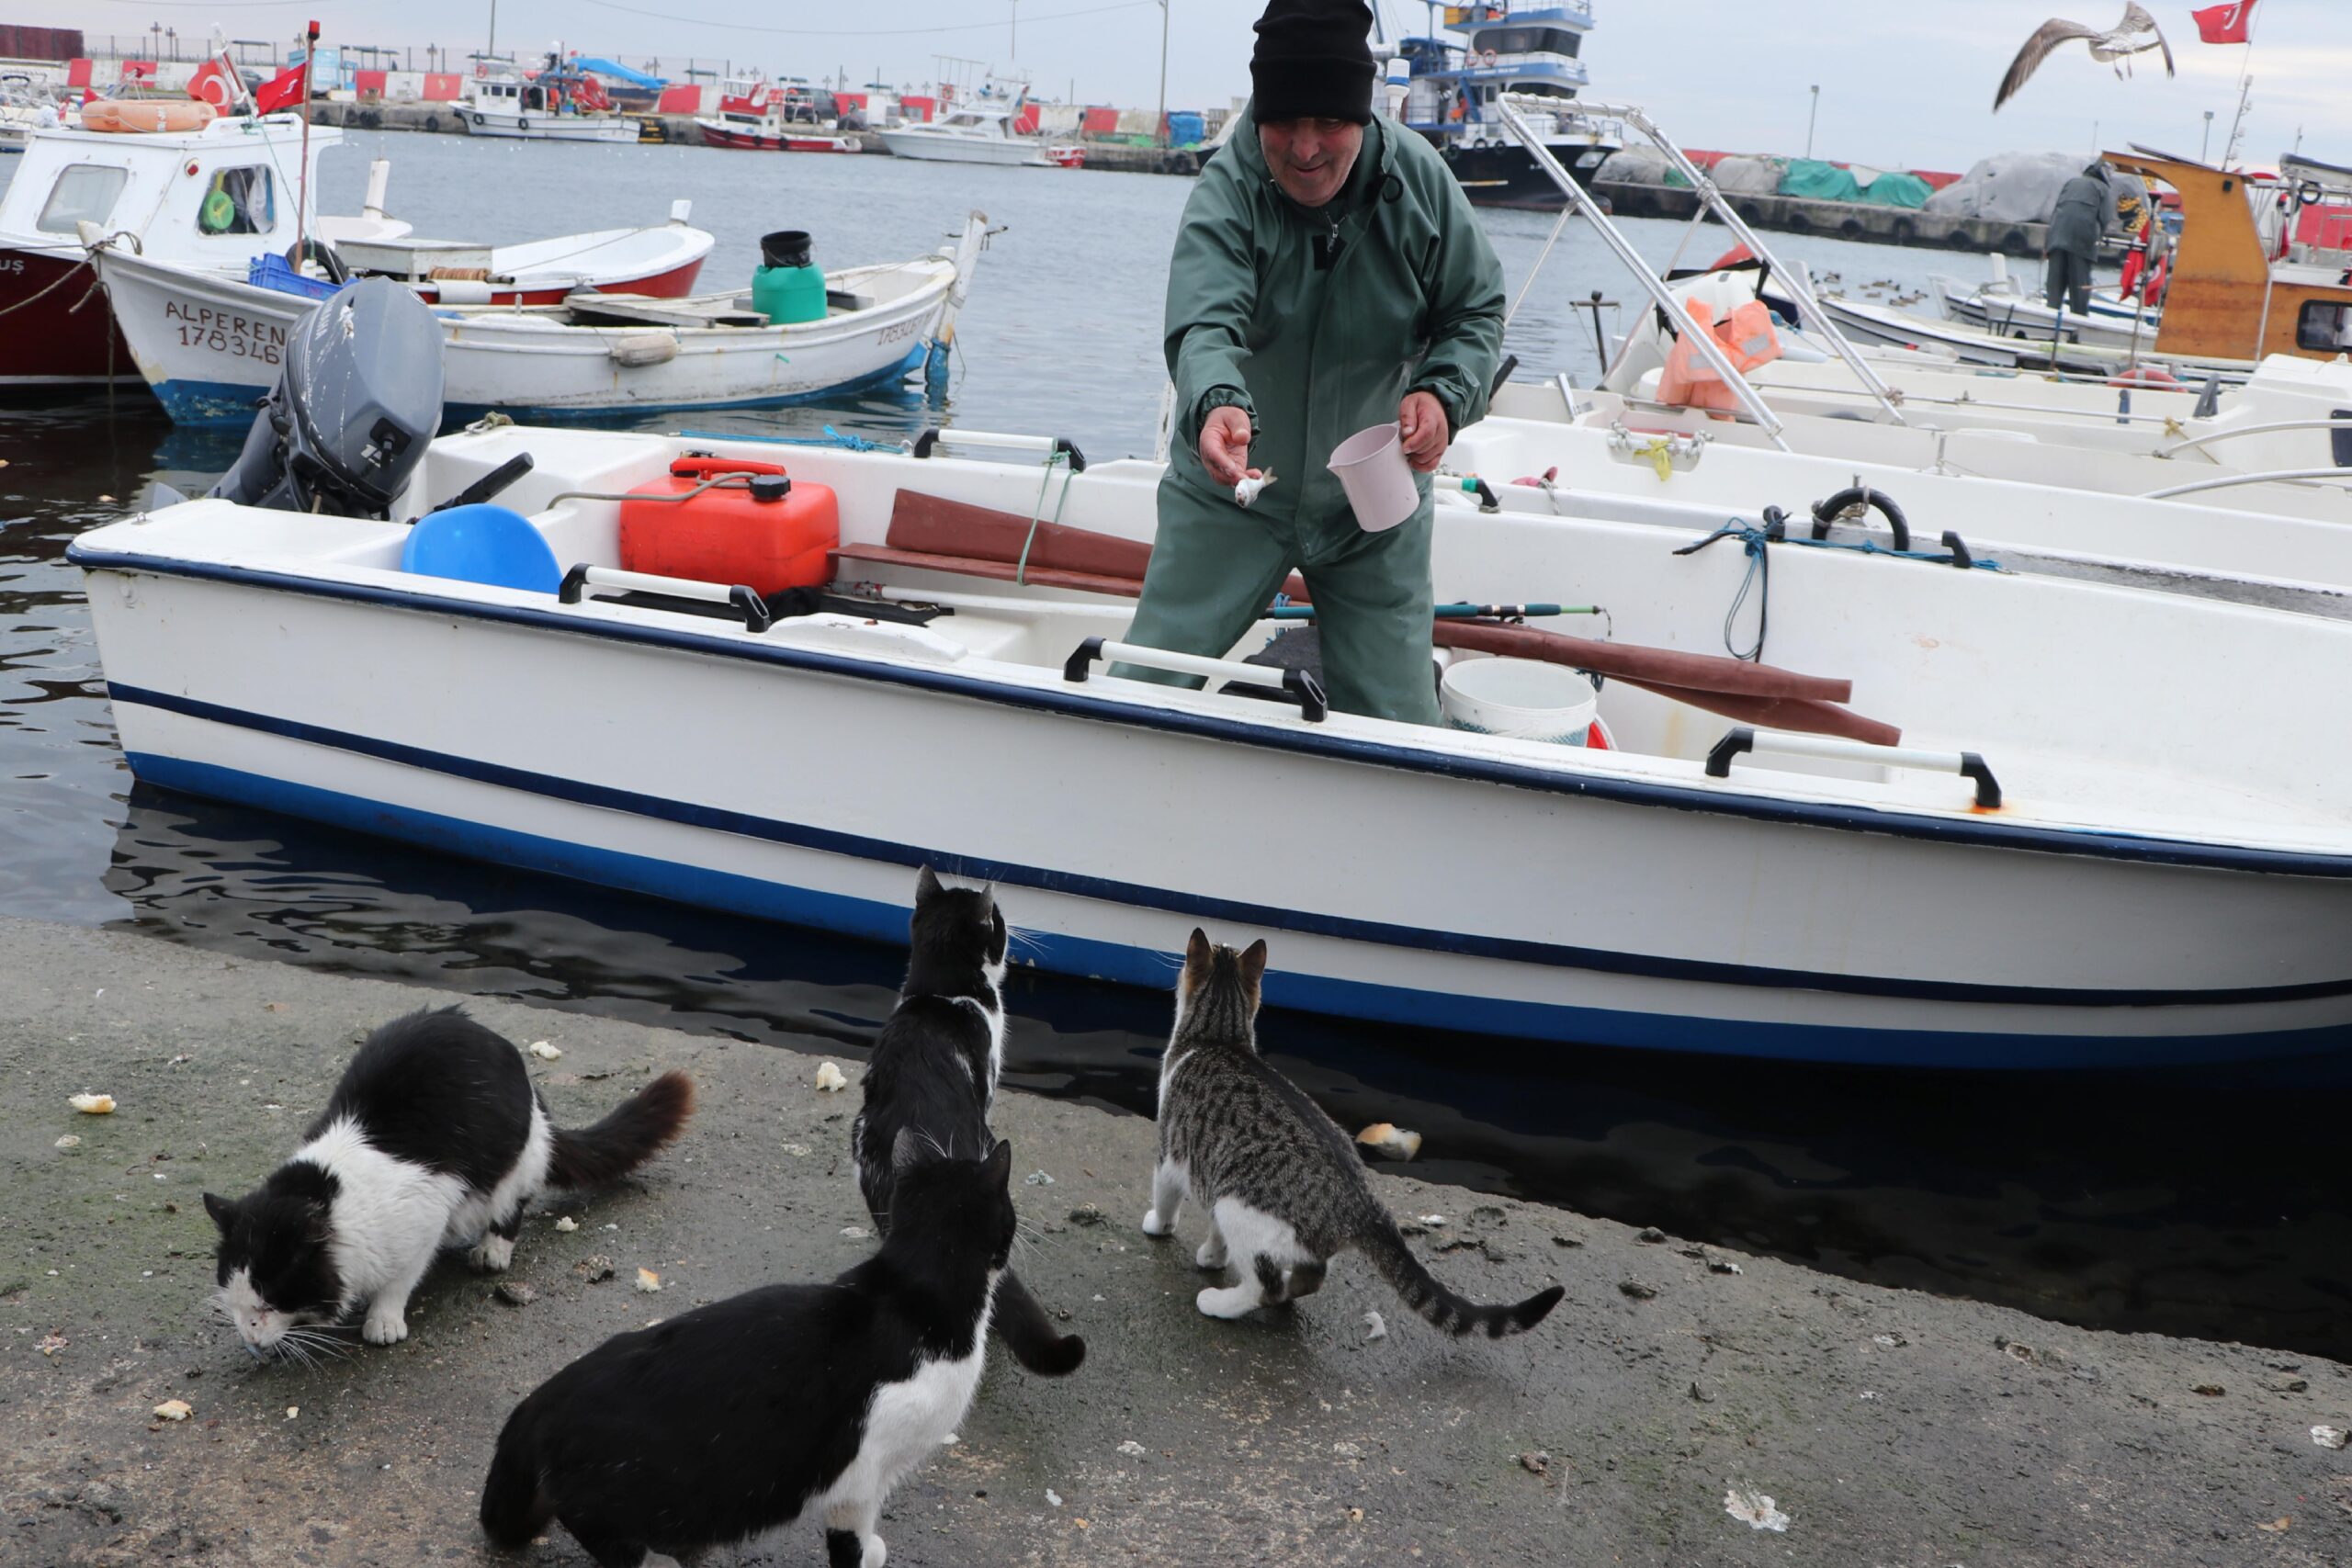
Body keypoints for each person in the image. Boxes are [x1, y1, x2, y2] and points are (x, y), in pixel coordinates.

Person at [1115, 0, 1505, 725]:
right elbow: (1205, 323)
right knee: (1142, 688)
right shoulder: (1227, 190)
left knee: (1400, 724)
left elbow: (1474, 310)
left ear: (1363, 113)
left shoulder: (1421, 183)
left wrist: (1444, 394)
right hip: (1233, 494)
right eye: (1284, 122)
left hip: (1374, 507)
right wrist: (1217, 402)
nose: (1304, 148)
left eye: (1329, 122)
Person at [2044, 160, 2112, 317]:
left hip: (2056, 238)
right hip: (2082, 242)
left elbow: (2056, 211)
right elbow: (2105, 217)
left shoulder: (2071, 182)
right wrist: (2099, 239)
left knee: (2054, 288)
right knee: (2080, 287)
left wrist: (2047, 244)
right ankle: (2078, 321)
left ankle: (2049, 319)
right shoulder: (2102, 188)